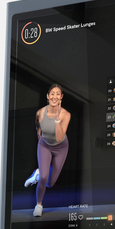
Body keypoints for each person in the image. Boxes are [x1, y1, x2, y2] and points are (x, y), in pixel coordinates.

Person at [22, 83, 70, 216]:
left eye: (57, 94)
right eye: (52, 94)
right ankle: (38, 205)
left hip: (61, 147)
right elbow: (38, 127)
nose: (55, 96)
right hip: (45, 145)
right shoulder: (40, 113)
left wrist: (57, 119)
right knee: (44, 177)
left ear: (61, 97)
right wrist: (41, 139)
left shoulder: (66, 115)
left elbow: (59, 136)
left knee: (50, 182)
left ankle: (37, 174)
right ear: (48, 96)